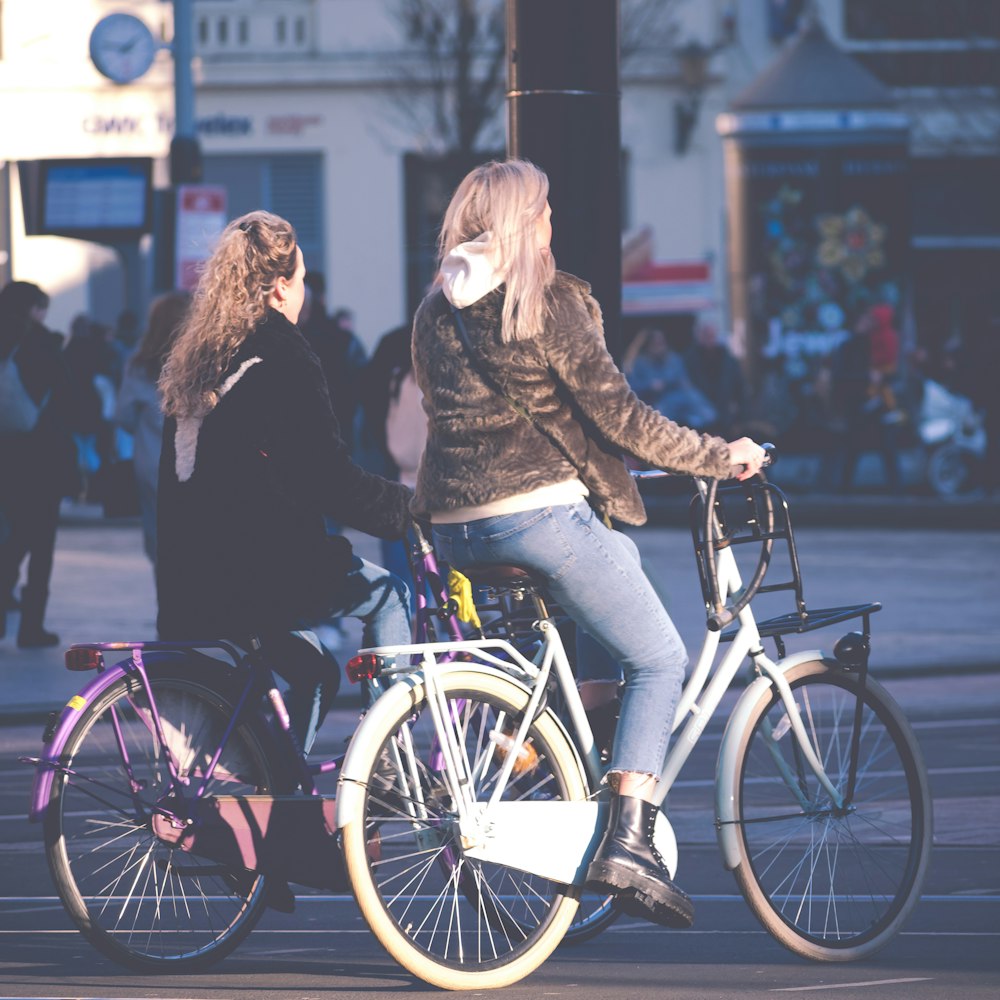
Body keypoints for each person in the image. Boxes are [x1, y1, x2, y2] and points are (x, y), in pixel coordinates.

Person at [410, 160, 766, 929]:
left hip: (457, 525)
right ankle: (630, 841)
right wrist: (718, 455)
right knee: (661, 657)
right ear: (520, 221)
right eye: (542, 210)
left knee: (599, 640)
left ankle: (524, 756)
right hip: (535, 516)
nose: (550, 222)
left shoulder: (435, 310)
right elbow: (624, 419)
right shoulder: (550, 300)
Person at [156, 211, 413, 755]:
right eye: (302, 279)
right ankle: (391, 760)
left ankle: (279, 788)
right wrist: (411, 510)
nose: (305, 291)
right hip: (262, 566)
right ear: (279, 289)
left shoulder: (202, 356)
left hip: (194, 572)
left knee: (317, 672)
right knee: (392, 595)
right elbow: (329, 477)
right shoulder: (283, 354)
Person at [0, 281, 79, 647]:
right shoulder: (42, 345)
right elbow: (71, 399)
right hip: (42, 460)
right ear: (33, 308)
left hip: (7, 458)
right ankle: (32, 626)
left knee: (13, 539)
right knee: (40, 544)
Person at [114, 291, 191, 567]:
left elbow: (123, 416)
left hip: (152, 461)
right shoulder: (203, 360)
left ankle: (167, 602)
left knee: (158, 536)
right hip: (195, 461)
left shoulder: (139, 363)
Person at [622, 325, 717, 430]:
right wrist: (650, 386)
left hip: (679, 404)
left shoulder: (674, 359)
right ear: (648, 345)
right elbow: (631, 387)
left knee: (696, 402)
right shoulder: (638, 363)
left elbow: (684, 381)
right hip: (654, 407)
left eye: (661, 342)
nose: (659, 346)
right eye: (656, 343)